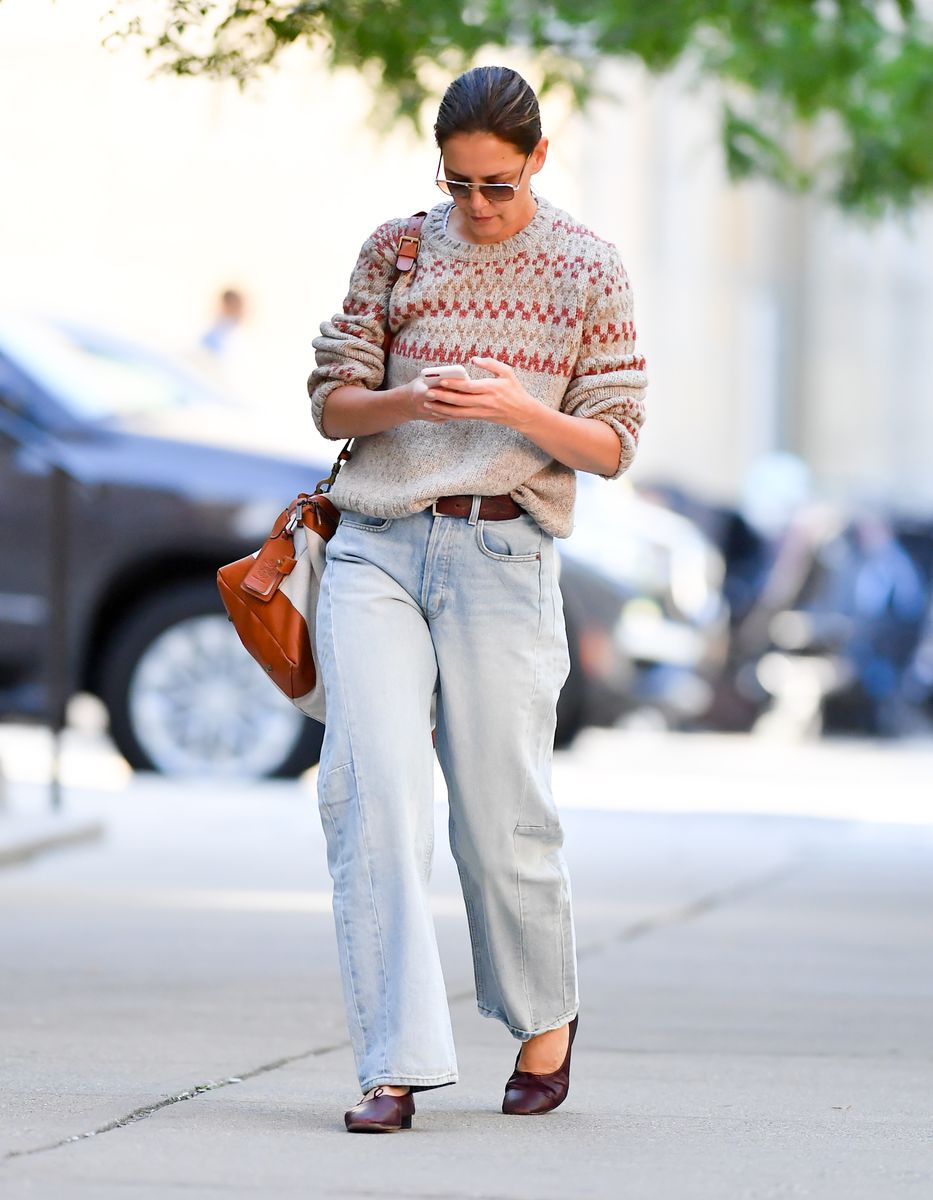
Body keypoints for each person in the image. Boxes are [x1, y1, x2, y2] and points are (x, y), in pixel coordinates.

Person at [307, 64, 648, 1133]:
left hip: (504, 559)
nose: (476, 207)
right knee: (376, 795)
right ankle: (393, 1063)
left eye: (496, 185)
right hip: (379, 549)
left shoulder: (589, 268)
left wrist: (517, 409)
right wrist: (410, 397)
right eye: (458, 184)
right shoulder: (397, 249)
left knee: (501, 820)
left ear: (539, 160)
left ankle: (545, 1010)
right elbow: (330, 405)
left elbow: (615, 440)